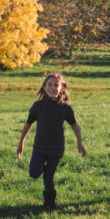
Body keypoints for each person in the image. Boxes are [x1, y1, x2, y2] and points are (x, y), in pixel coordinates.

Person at [16, 73, 87, 209]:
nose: (52, 87)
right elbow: (28, 124)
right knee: (34, 173)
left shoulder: (65, 108)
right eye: (49, 84)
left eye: (56, 85)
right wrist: (21, 143)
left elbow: (75, 125)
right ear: (44, 87)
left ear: (62, 89)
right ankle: (44, 168)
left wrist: (80, 143)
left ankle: (49, 203)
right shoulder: (38, 106)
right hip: (40, 147)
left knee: (48, 176)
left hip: (56, 147)